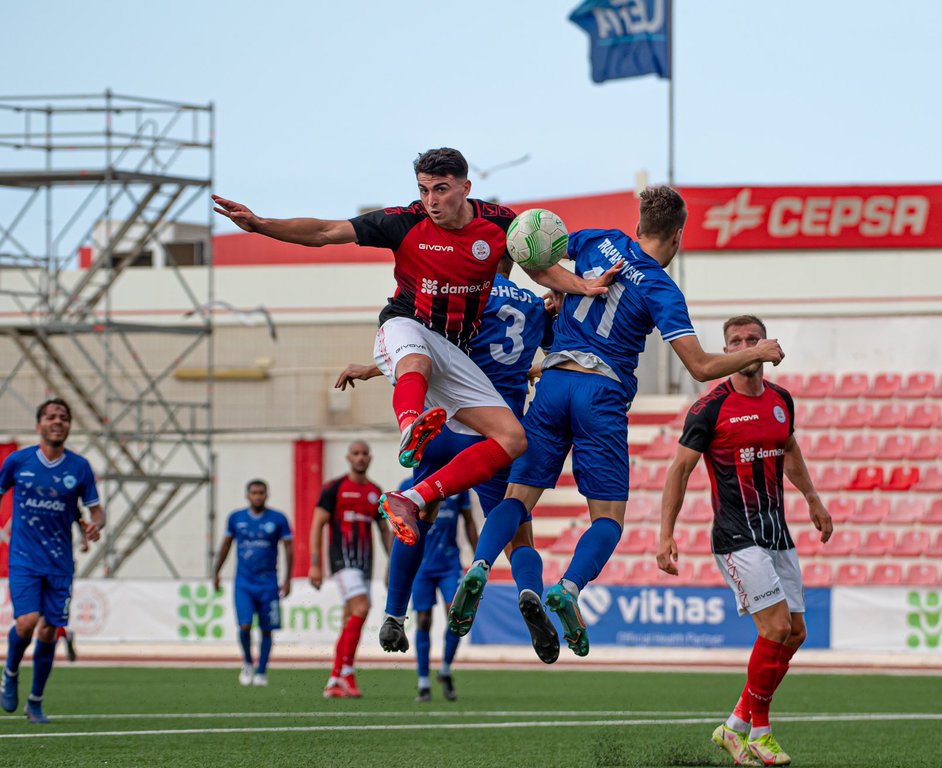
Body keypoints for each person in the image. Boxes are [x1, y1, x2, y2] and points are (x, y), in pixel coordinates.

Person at [213, 147, 615, 551]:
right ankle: (410, 429)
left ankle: (410, 498)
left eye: (440, 189)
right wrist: (261, 224)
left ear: (465, 187)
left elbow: (541, 267)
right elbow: (324, 232)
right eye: (424, 190)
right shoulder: (403, 222)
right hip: (405, 325)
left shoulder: (499, 226)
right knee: (417, 360)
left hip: (455, 349)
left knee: (513, 439)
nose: (431, 201)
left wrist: (585, 286)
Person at [447, 186, 786, 660]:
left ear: (640, 224)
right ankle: (568, 587)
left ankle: (480, 565)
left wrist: (560, 291)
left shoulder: (597, 240)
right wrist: (759, 351)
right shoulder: (663, 288)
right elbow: (702, 367)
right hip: (600, 393)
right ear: (677, 236)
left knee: (517, 499)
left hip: (553, 383)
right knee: (608, 519)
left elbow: (534, 257)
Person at [336, 258, 562, 663]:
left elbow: (426, 348)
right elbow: (554, 350)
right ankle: (529, 593)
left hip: (447, 426)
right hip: (497, 434)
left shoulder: (464, 296)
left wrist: (371, 370)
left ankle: (393, 614)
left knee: (418, 517)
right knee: (519, 533)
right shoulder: (530, 304)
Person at [657, 315, 834, 767]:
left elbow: (789, 449)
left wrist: (813, 499)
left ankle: (734, 725)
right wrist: (666, 535)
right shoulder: (710, 407)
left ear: (766, 344)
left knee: (795, 634)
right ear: (727, 350)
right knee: (774, 628)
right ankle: (760, 732)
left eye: (752, 339)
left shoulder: (781, 401)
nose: (745, 346)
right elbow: (679, 470)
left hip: (777, 532)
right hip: (737, 536)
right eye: (736, 341)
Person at [0, 399, 104, 723]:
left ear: (68, 426)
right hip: (24, 557)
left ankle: (35, 701)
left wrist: (92, 525)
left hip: (60, 563)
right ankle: (11, 671)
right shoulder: (19, 461)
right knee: (27, 622)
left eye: (63, 417)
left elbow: (95, 512)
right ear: (39, 425)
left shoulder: (80, 467)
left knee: (48, 632)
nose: (57, 421)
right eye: (50, 416)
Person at [309, 441, 390, 699]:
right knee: (362, 608)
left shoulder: (375, 492)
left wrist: (394, 564)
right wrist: (314, 563)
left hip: (365, 565)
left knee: (349, 618)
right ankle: (347, 673)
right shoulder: (334, 488)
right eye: (356, 453)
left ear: (370, 458)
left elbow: (384, 531)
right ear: (348, 457)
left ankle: (334, 679)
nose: (361, 457)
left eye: (365, 453)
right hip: (342, 562)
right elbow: (317, 524)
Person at [399, 481, 477, 702]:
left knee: (456, 615)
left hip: (449, 564)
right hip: (421, 564)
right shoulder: (408, 485)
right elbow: (400, 527)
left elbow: (469, 521)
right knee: (423, 621)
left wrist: (481, 558)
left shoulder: (458, 483)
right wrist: (395, 566)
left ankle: (445, 669)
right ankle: (423, 681)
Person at [212, 479, 294, 687]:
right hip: (244, 583)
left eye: (261, 493)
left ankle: (261, 671)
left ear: (267, 495)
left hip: (268, 583)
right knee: (245, 625)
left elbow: (288, 549)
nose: (258, 496)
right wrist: (216, 571)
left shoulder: (278, 519)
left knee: (267, 629)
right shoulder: (236, 518)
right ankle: (248, 662)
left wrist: (288, 578)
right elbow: (226, 545)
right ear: (247, 495)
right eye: (254, 493)